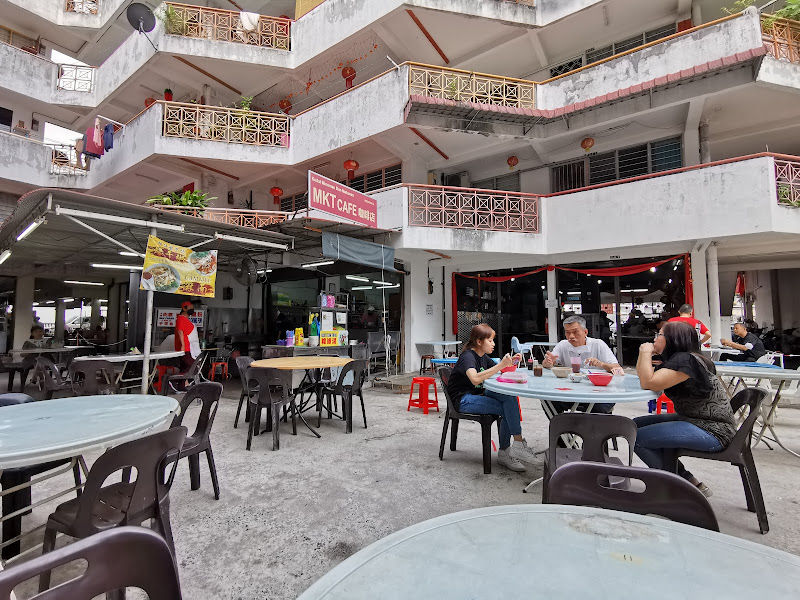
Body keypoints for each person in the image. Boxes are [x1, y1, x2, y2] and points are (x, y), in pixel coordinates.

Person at [634, 321, 735, 497]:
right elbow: (645, 377)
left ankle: (677, 487)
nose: (655, 339)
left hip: (712, 429)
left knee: (636, 437)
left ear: (673, 339)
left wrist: (644, 352)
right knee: (633, 426)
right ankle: (687, 480)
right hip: (695, 420)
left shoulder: (686, 361)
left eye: (660, 334)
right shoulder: (687, 359)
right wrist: (646, 356)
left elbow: (648, 382)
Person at [446, 323, 537, 472]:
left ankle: (515, 446)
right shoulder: (468, 356)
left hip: (478, 394)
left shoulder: (483, 356)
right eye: (490, 340)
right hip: (463, 400)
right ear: (479, 341)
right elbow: (475, 379)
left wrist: (512, 361)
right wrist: (500, 365)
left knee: (509, 397)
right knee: (507, 408)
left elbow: (499, 370)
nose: (493, 344)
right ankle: (509, 450)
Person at [542, 315, 623, 415]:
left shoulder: (598, 344)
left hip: (598, 393)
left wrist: (601, 364)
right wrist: (547, 363)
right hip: (570, 392)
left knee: (599, 407)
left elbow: (618, 369)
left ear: (585, 332)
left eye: (575, 332)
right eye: (567, 332)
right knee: (548, 400)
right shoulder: (563, 345)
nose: (571, 336)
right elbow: (549, 362)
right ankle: (560, 424)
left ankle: (589, 425)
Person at [174, 301, 201, 375]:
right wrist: (183, 345)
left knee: (186, 368)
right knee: (190, 368)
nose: (192, 310)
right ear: (184, 308)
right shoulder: (181, 318)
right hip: (186, 348)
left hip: (190, 348)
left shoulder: (186, 319)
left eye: (193, 308)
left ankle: (183, 382)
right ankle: (178, 380)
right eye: (190, 308)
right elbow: (180, 331)